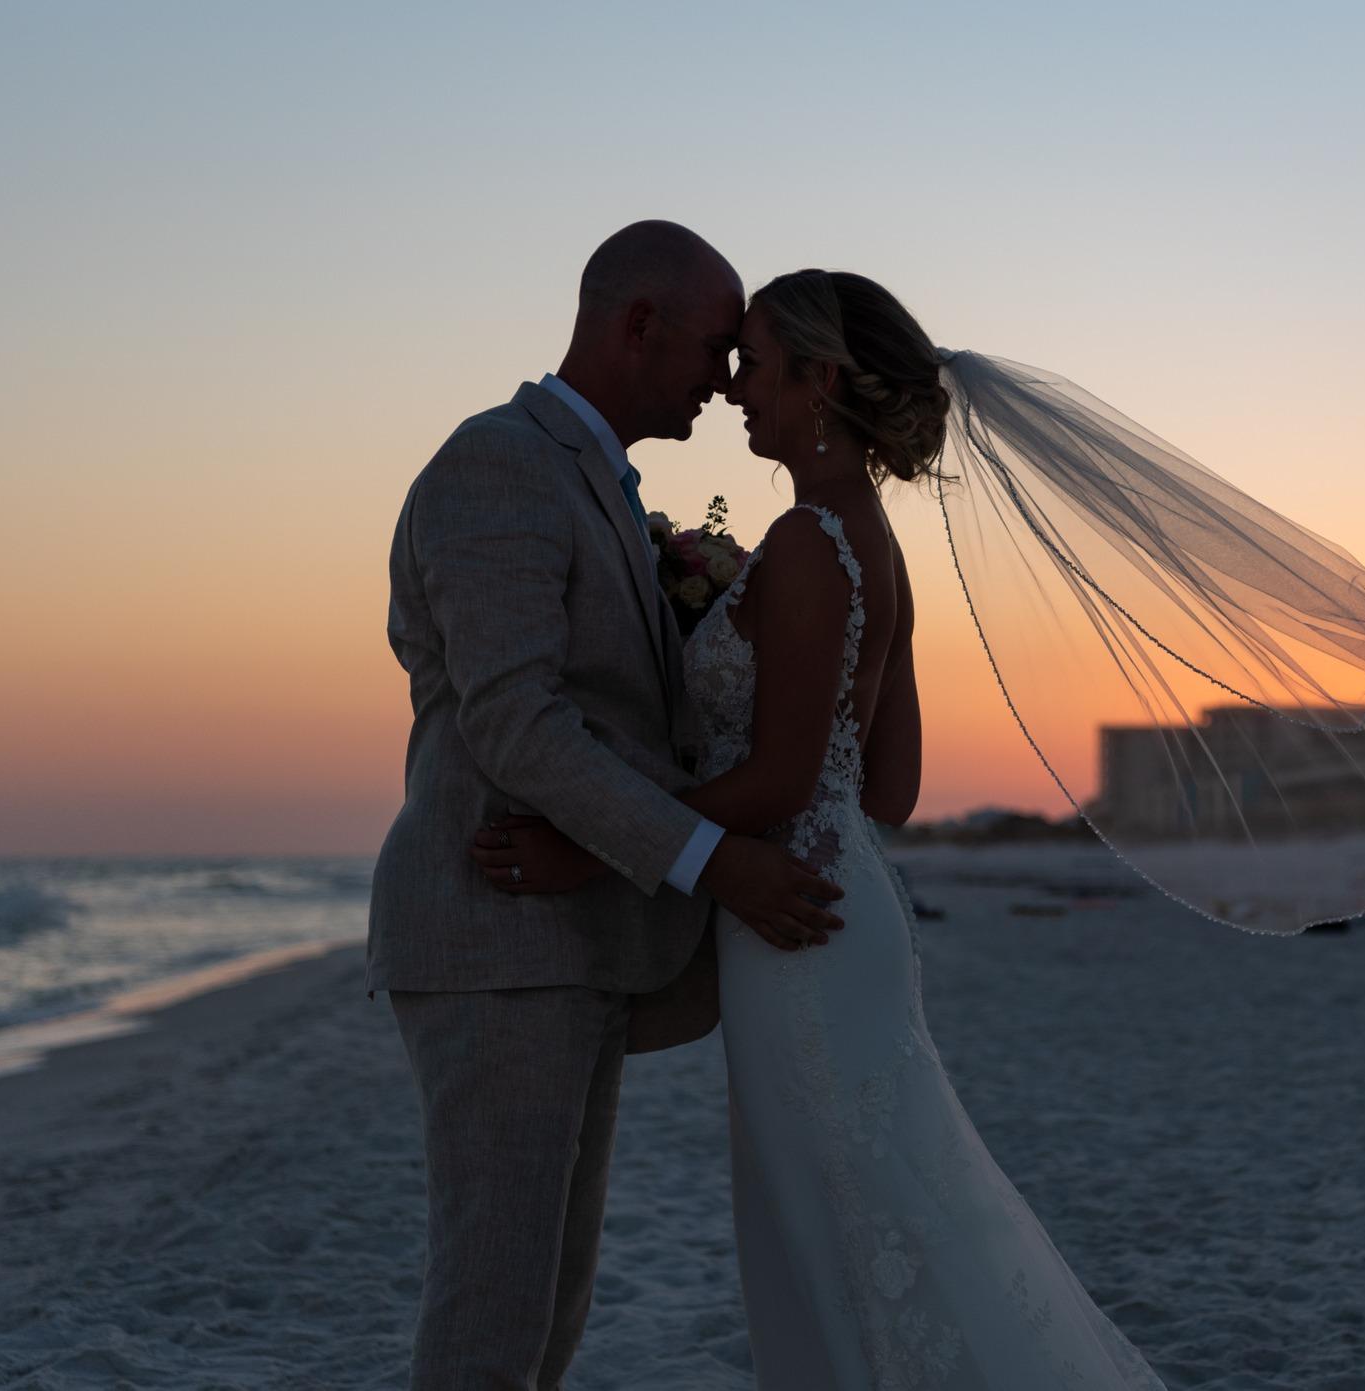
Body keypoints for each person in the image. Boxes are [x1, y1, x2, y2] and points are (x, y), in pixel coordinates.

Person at [478, 269, 1173, 1388]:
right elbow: (886, 788)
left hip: (794, 926)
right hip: (842, 910)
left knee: (844, 1238)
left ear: (821, 379)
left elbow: (780, 778)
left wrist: (592, 845)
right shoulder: (872, 543)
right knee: (879, 1220)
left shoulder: (808, 539)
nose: (733, 388)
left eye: (754, 363)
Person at [367, 224, 846, 1391]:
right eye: (715, 346)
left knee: (550, 1305)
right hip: (497, 931)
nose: (723, 379)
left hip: (568, 941)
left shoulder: (599, 486)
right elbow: (515, 721)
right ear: (638, 325)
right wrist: (710, 856)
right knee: (493, 1308)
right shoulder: (500, 465)